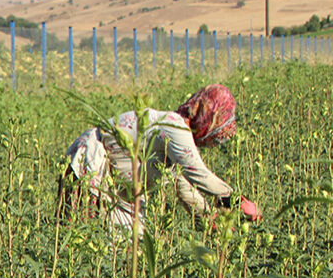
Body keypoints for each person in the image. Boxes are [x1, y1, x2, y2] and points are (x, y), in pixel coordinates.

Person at [60, 83, 260, 230]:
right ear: (208, 116)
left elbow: (186, 190)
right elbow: (198, 174)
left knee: (129, 252)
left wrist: (210, 221)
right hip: (91, 166)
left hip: (118, 188)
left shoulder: (175, 137)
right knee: (82, 236)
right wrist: (236, 200)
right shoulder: (175, 127)